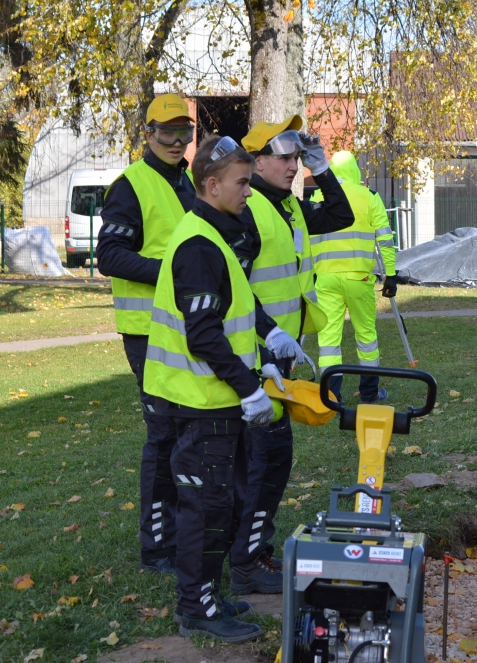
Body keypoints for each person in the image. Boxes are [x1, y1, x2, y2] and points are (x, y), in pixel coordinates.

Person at [144, 135, 280, 643]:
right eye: (242, 183)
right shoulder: (199, 245)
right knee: (205, 509)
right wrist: (248, 388)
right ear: (211, 184)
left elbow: (229, 321)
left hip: (212, 399)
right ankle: (196, 606)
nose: (249, 192)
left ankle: (206, 593)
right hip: (203, 403)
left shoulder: (211, 233)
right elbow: (203, 334)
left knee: (217, 506)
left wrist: (259, 367)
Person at [226, 116, 354, 596]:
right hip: (257, 356)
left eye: (297, 157)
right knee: (268, 459)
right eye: (283, 157)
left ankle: (250, 550)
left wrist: (323, 170)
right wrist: (271, 336)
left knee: (257, 462)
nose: (292, 165)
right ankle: (246, 563)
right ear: (256, 161)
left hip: (281, 354)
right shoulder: (249, 209)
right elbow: (235, 288)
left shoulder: (291, 209)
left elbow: (341, 216)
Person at [97, 94, 196, 574]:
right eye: (167, 132)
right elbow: (109, 256)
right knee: (163, 437)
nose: (177, 142)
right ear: (148, 132)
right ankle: (156, 546)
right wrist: (173, 271)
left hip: (184, 327)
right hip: (146, 331)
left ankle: (182, 535)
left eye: (186, 133)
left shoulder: (187, 181)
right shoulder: (130, 186)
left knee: (186, 433)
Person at [310, 150, 397, 404]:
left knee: (327, 340)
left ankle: (331, 395)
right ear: (355, 170)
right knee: (366, 336)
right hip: (359, 279)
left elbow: (306, 239)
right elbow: (385, 239)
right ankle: (369, 392)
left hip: (325, 278)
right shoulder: (369, 197)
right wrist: (390, 275)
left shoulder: (317, 196)